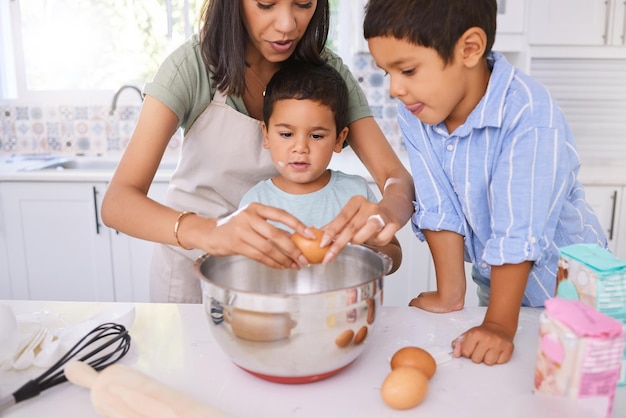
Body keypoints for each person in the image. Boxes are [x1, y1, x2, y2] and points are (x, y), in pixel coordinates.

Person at [101, 0, 415, 303]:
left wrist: (384, 215)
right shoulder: (191, 67)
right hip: (193, 269)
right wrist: (210, 231)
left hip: (279, 282)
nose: (287, 25)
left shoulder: (326, 75)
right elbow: (118, 202)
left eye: (304, 4)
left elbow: (395, 177)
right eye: (266, 5)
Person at [363, 0, 606, 365]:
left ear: (470, 48)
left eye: (409, 70)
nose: (396, 88)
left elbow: (517, 228)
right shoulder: (417, 110)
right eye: (387, 73)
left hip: (576, 296)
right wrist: (451, 295)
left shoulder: (528, 114)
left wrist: (497, 324)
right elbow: (439, 205)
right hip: (499, 290)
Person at [239, 61, 402, 272]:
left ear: (338, 139)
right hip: (279, 304)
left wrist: (367, 243)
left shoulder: (355, 194)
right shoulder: (255, 203)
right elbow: (243, 266)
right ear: (266, 134)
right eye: (286, 134)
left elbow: (394, 256)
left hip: (343, 303)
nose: (300, 148)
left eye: (316, 136)